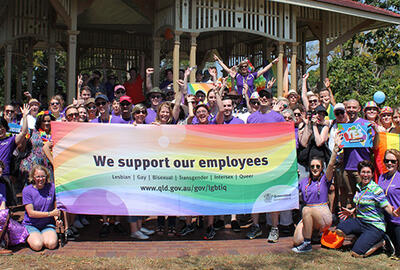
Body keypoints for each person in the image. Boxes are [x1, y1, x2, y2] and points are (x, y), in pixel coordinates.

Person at [336, 160, 400, 258]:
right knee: (340, 229)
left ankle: (382, 242)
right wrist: (353, 210)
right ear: (359, 173)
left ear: (372, 174)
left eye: (368, 172)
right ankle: (361, 238)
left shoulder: (376, 189)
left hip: (374, 226)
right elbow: (362, 202)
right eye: (363, 172)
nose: (365, 175)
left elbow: (386, 205)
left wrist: (393, 213)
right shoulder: (359, 187)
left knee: (356, 253)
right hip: (361, 221)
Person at [246, 88, 285, 243]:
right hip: (255, 162)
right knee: (255, 197)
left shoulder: (278, 117)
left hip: (272, 162)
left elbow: (283, 140)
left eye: (266, 96)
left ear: (271, 99)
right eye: (261, 96)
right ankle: (255, 226)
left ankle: (274, 228)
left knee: (272, 195)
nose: (263, 98)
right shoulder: (251, 118)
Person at [292, 134, 342, 253]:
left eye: (318, 166)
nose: (315, 168)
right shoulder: (304, 181)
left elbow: (330, 165)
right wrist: (293, 176)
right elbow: (292, 190)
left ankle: (308, 243)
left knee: (305, 210)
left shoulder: (325, 180)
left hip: (322, 214)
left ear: (321, 168)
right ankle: (315, 236)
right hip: (308, 214)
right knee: (296, 240)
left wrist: (335, 149)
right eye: (312, 166)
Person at [342, 99, 374, 208]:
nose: (351, 110)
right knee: (350, 197)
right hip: (347, 167)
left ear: (359, 109)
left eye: (354, 107)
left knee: (364, 197)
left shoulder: (366, 124)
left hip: (362, 167)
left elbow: (374, 145)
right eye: (349, 107)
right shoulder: (344, 126)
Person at [22, 165, 60, 251]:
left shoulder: (52, 187)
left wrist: (57, 219)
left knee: (51, 244)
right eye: (38, 176)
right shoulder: (27, 190)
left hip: (47, 224)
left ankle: (42, 236)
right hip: (31, 224)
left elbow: (56, 207)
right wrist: (50, 214)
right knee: (38, 245)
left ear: (46, 176)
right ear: (33, 177)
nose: (40, 179)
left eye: (43, 176)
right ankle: (32, 237)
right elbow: (31, 213)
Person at [378, 149, 400, 259]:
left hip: (397, 220)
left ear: (398, 162)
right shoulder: (381, 177)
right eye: (386, 161)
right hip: (384, 219)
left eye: (393, 161)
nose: (389, 163)